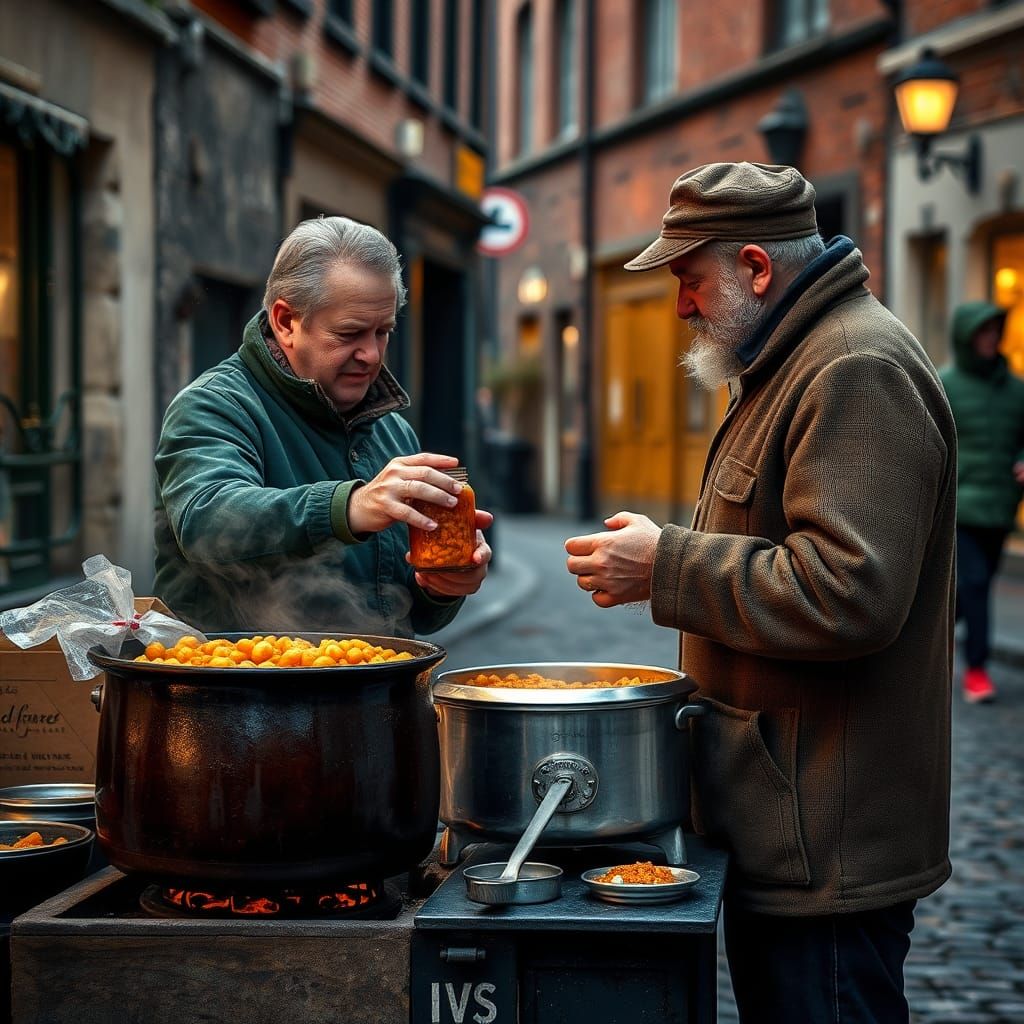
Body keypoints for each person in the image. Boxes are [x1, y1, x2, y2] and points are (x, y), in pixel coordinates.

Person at [564, 162, 956, 1023]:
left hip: (828, 848)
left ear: (755, 266)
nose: (681, 305)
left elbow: (851, 592)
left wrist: (663, 565)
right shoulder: (789, 359)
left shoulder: (852, 366)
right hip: (786, 824)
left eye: (688, 278)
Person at [154, 216, 492, 635]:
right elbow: (207, 524)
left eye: (383, 331)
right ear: (286, 322)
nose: (371, 354)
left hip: (380, 693)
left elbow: (410, 610)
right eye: (350, 333)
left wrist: (442, 585)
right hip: (238, 694)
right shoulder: (213, 405)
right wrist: (350, 507)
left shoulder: (393, 431)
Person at [940, 301, 1024, 703]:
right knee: (974, 583)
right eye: (982, 332)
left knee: (972, 589)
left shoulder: (1016, 389)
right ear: (967, 337)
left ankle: (929, 637)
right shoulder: (945, 384)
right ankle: (976, 670)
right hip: (961, 505)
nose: (990, 339)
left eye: (995, 331)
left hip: (1001, 507)